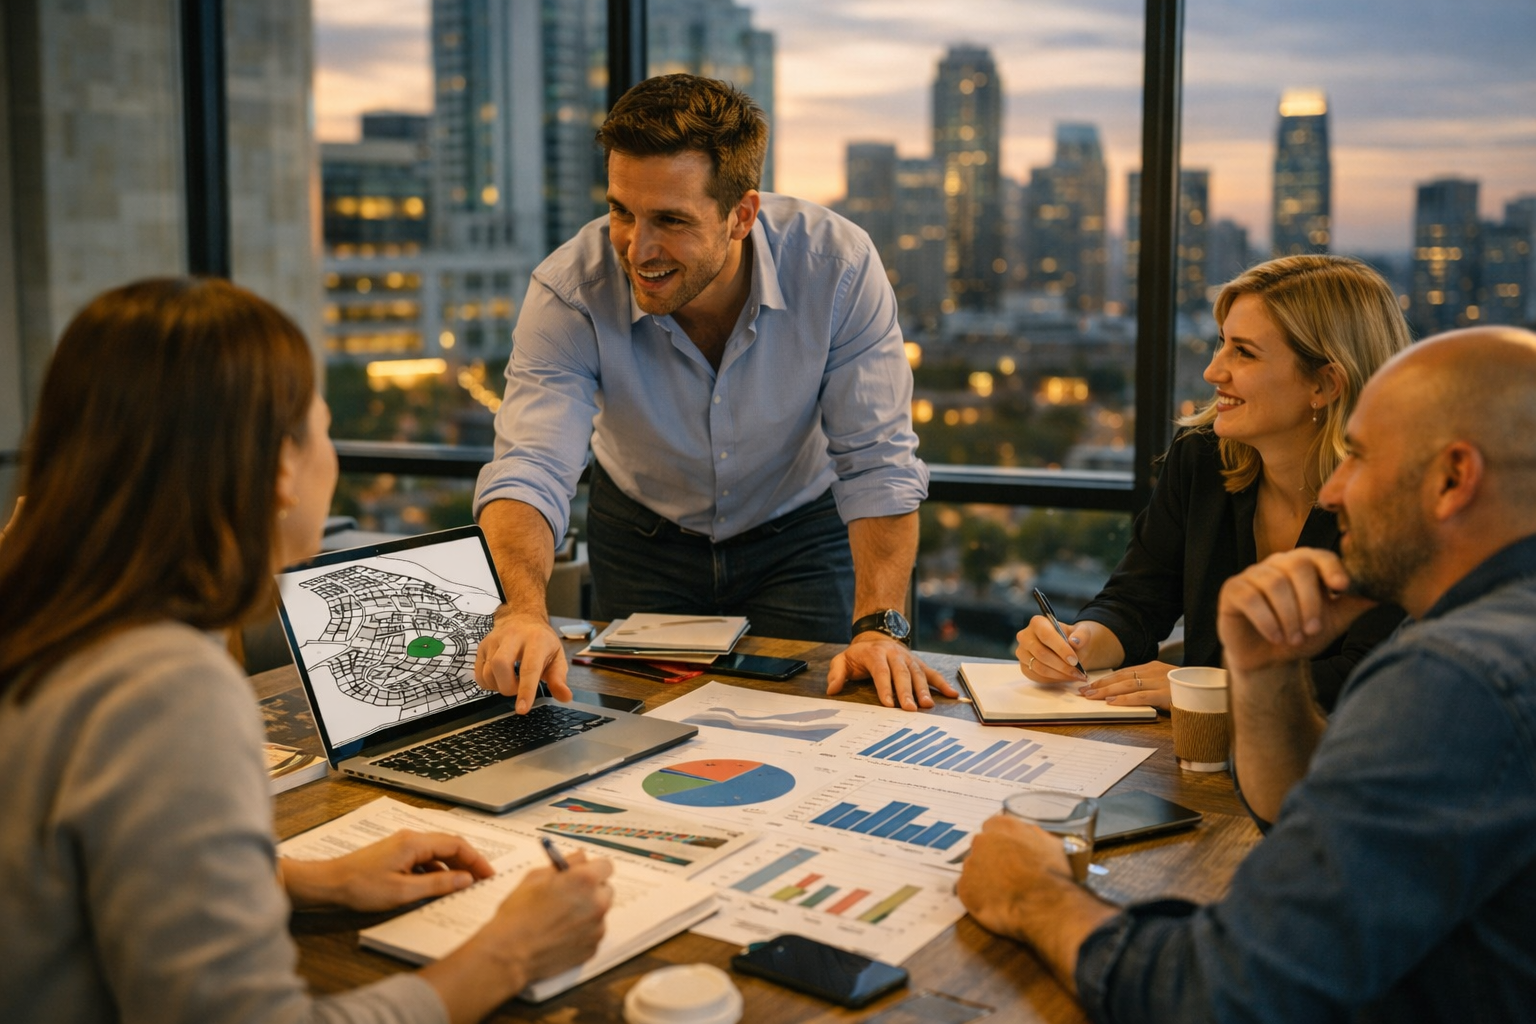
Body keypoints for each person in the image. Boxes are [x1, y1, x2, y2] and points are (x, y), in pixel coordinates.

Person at [0, 278, 613, 1024]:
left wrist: (302, 882)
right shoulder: (165, 689)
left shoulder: (46, 628)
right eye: (321, 428)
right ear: (283, 468)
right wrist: (511, 951)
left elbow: (84, 870)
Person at [958, 326, 1536, 1022]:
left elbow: (1224, 998)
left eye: (1360, 457)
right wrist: (1265, 672)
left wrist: (1033, 896)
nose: (1335, 493)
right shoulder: (1480, 628)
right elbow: (1320, 818)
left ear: (1452, 479)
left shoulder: (1455, 676)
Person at [472, 74, 953, 714]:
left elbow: (877, 464)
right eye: (621, 211)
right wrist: (524, 610)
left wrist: (879, 627)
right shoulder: (571, 289)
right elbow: (532, 466)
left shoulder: (836, 267)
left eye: (669, 220)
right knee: (639, 731)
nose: (637, 249)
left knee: (815, 723)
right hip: (643, 532)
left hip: (798, 535)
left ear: (741, 215)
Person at [1017, 255, 1409, 711]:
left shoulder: (1396, 503)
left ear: (1324, 384)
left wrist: (1211, 689)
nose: (1212, 371)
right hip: (1199, 754)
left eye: (1243, 352)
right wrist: (1077, 642)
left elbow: (1372, 678)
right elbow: (1137, 601)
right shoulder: (1201, 457)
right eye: (1221, 343)